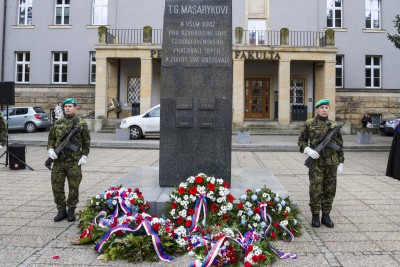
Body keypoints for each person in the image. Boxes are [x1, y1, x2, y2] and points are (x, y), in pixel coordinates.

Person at [298, 99, 344, 228]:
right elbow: (301, 142)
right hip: (316, 164)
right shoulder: (309, 123)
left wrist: (341, 162)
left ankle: (326, 215)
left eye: (326, 107)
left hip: (331, 163)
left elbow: (339, 145)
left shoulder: (334, 125)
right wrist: (308, 150)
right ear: (317, 109)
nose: (324, 110)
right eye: (322, 107)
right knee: (315, 190)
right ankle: (315, 215)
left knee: (330, 190)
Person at [47, 98, 91, 222]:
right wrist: (50, 150)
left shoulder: (81, 123)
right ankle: (61, 210)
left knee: (74, 186)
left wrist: (84, 155)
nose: (67, 108)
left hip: (74, 162)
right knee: (57, 186)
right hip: (59, 161)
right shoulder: (57, 123)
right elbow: (51, 139)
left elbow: (86, 141)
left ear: (75, 108)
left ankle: (71, 209)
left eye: (70, 106)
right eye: (65, 106)